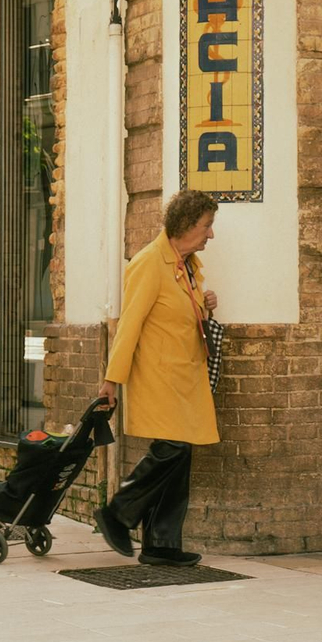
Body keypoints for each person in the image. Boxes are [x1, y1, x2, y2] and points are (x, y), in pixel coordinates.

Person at [93, 190, 220, 567]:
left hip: (186, 379)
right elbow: (129, 326)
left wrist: (206, 304)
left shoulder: (188, 266)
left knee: (181, 458)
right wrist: (111, 381)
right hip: (159, 377)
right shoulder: (150, 263)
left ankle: (161, 544)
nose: (210, 234)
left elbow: (180, 315)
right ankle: (117, 513)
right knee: (172, 450)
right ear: (185, 226)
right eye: (206, 225)